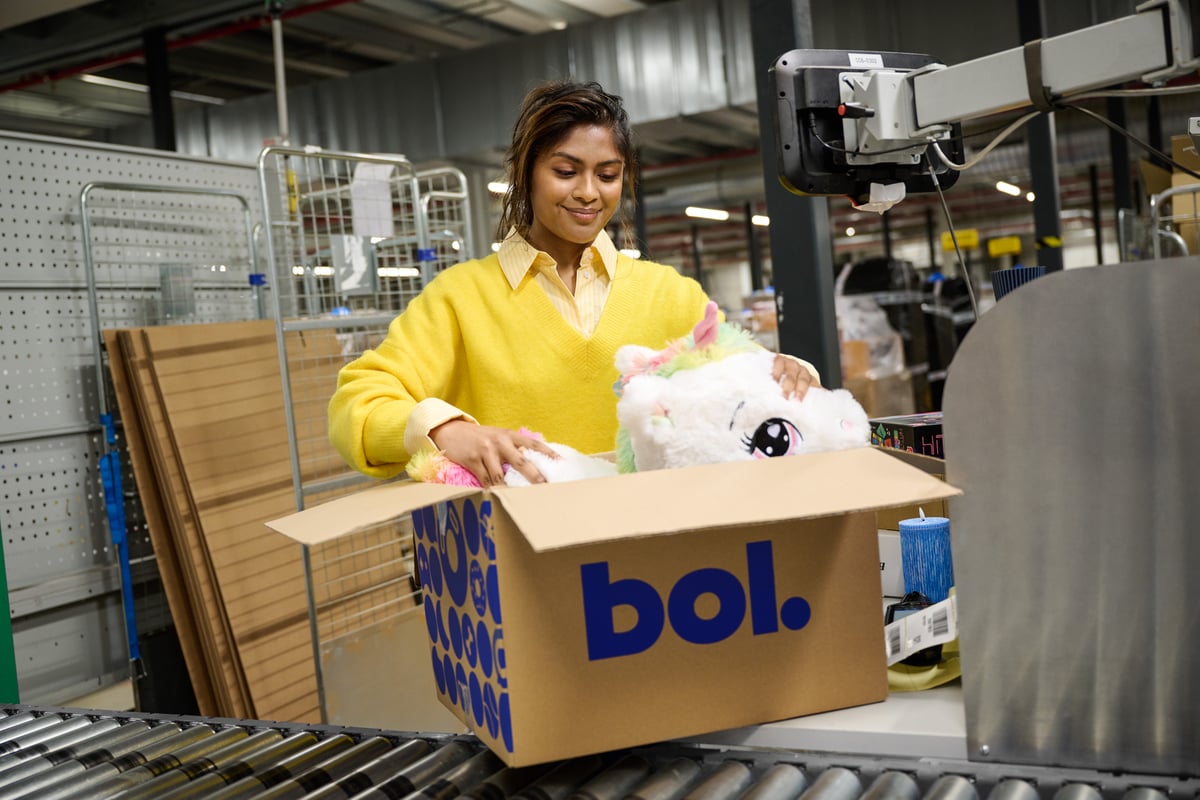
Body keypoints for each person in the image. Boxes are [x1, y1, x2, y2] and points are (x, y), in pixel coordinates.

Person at [328, 79, 819, 486]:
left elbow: (743, 383)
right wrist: (443, 429)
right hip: (521, 553)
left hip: (656, 551)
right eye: (565, 171)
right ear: (526, 174)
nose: (588, 193)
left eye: (607, 175)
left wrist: (789, 370)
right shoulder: (459, 298)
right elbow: (357, 403)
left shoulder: (672, 295)